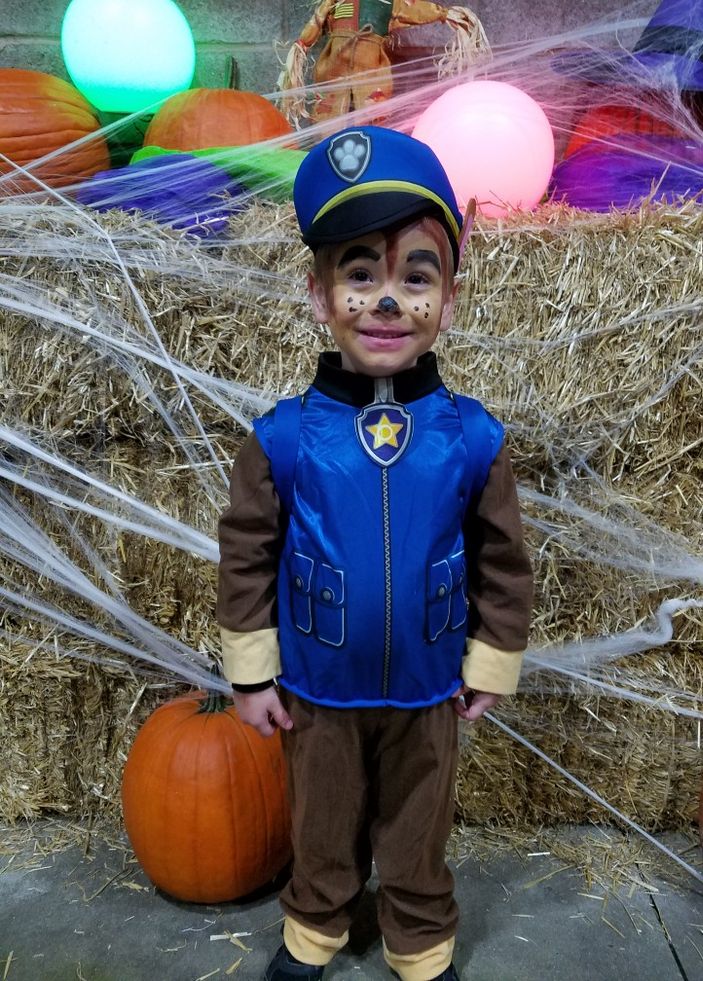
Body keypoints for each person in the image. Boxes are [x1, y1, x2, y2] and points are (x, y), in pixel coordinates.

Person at [217, 125, 534, 981]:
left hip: (430, 685)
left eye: (415, 276)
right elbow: (246, 554)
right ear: (319, 295)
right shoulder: (285, 439)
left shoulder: (471, 438)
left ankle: (420, 940)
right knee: (320, 820)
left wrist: (490, 660)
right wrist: (252, 673)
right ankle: (314, 929)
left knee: (418, 826)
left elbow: (504, 562)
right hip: (318, 687)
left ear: (450, 299)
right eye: (360, 275)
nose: (386, 301)